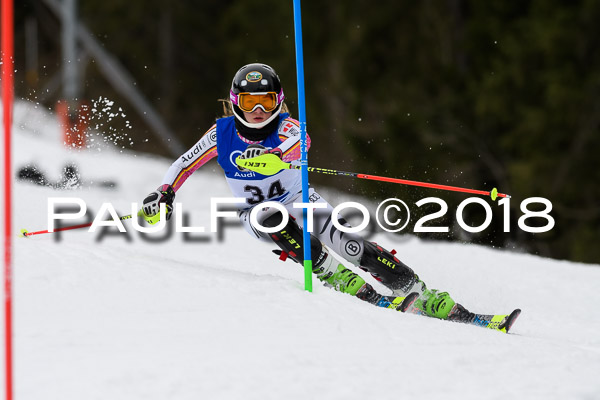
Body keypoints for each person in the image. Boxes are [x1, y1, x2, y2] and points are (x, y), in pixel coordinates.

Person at [140, 63, 507, 327]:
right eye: (249, 102)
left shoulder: (288, 126)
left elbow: (302, 142)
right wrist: (165, 193)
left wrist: (277, 157)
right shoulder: (221, 134)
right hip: (258, 213)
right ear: (235, 101)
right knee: (268, 216)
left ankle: (420, 292)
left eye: (265, 102)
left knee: (349, 244)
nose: (256, 111)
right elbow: (184, 163)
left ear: (278, 101)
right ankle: (335, 275)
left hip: (302, 202)